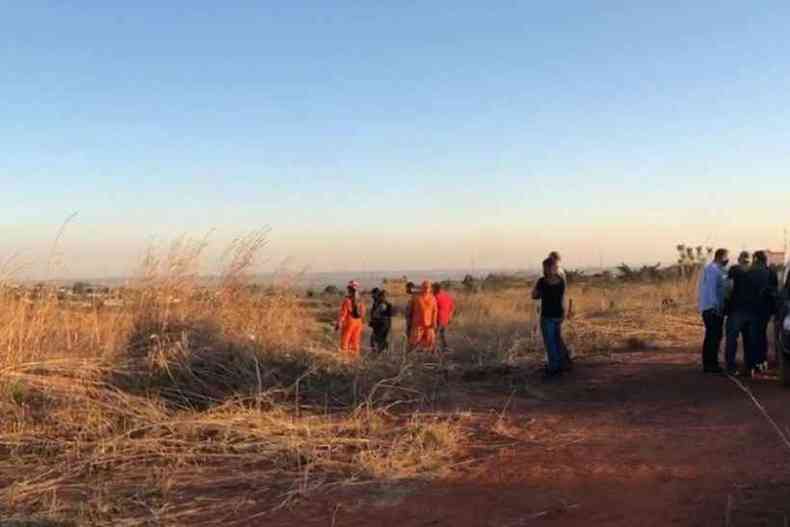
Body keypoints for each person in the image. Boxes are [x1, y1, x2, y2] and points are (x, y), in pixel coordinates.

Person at [532, 257, 570, 378]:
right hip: (559, 314)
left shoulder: (542, 281)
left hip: (547, 315)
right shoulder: (561, 281)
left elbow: (534, 296)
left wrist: (539, 291)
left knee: (550, 343)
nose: (544, 269)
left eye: (545, 267)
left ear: (548, 268)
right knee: (557, 340)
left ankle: (554, 367)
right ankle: (561, 365)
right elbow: (562, 297)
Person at [747, 251, 779, 375]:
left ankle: (753, 363)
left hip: (751, 308)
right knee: (761, 334)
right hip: (764, 309)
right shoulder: (771, 271)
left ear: (755, 259)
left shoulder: (749, 272)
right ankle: (762, 360)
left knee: (753, 336)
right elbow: (774, 290)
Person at [698, 248, 728, 374]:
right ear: (721, 257)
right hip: (712, 309)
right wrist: (715, 306)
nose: (727, 260)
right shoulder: (713, 270)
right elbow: (711, 290)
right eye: (726, 257)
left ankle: (710, 363)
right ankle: (711, 364)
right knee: (713, 336)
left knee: (713, 336)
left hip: (710, 308)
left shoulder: (715, 270)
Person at [336, 280, 366, 356]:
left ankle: (344, 359)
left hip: (349, 322)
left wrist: (339, 323)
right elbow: (363, 313)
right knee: (355, 342)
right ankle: (355, 359)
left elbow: (343, 313)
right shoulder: (360, 300)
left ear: (349, 289)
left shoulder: (347, 300)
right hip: (358, 323)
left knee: (345, 341)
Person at [408, 280, 438, 352]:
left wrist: (434, 322)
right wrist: (409, 321)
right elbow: (410, 310)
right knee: (414, 341)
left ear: (430, 288)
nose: (426, 289)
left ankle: (430, 357)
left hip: (429, 324)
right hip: (417, 324)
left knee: (431, 341)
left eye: (427, 287)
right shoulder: (416, 298)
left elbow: (435, 311)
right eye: (424, 287)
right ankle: (409, 356)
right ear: (421, 288)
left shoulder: (433, 298)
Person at [432, 282, 455, 353]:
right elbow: (452, 307)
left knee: (434, 334)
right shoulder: (447, 296)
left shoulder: (435, 298)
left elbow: (431, 309)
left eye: (432, 289)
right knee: (442, 334)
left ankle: (434, 350)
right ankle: (445, 348)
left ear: (435, 289)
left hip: (439, 319)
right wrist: (450, 316)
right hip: (446, 319)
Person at [369, 288, 393, 353]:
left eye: (373, 294)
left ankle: (380, 352)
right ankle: (379, 352)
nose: (372, 296)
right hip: (382, 324)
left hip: (381, 324)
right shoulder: (378, 303)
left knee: (379, 339)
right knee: (379, 339)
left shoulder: (382, 304)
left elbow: (377, 314)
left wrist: (374, 320)